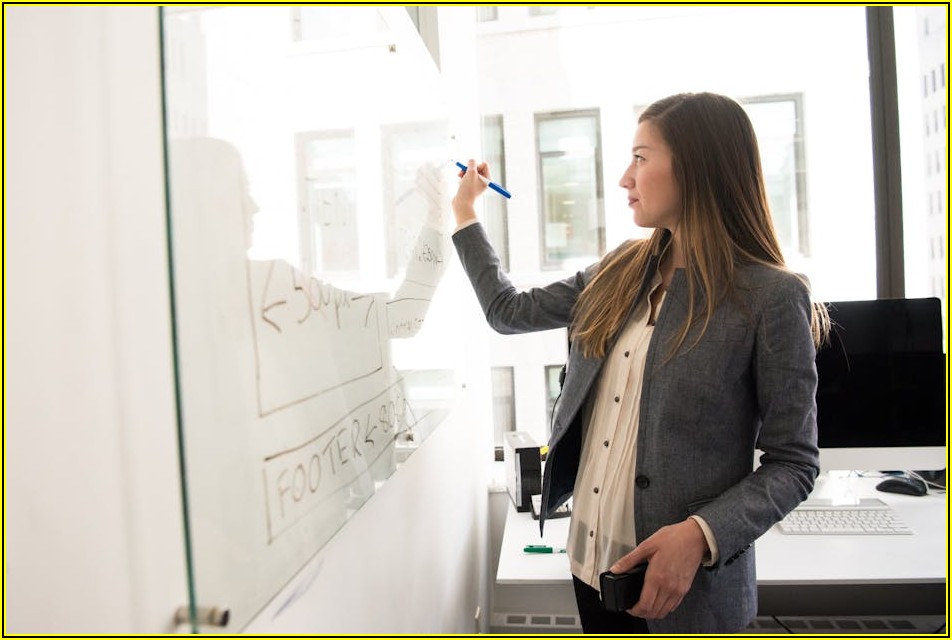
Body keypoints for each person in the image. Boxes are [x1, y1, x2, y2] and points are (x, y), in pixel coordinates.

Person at [450, 92, 830, 634]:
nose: (625, 179)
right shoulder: (620, 269)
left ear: (697, 167)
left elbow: (794, 463)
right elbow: (508, 311)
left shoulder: (770, 295)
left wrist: (701, 534)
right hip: (590, 569)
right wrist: (465, 213)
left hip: (686, 597)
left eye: (640, 157)